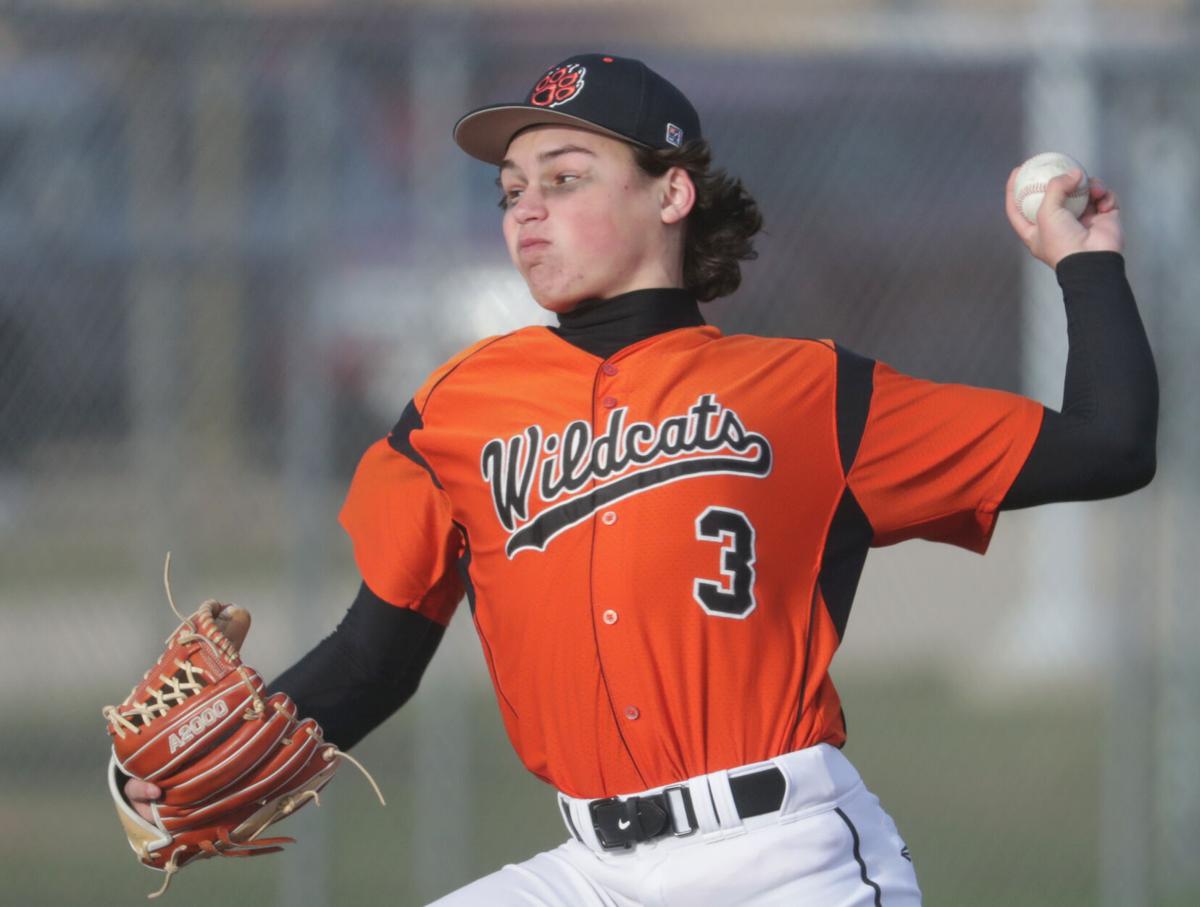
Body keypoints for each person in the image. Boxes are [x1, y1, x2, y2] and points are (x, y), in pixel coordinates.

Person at [122, 53, 1157, 904]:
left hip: (783, 859)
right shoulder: (456, 411)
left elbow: (1110, 446)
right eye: (512, 190)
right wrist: (205, 764)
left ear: (672, 191)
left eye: (566, 178)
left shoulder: (808, 395)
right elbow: (374, 655)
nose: (527, 210)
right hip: (591, 872)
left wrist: (1087, 261)